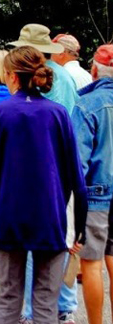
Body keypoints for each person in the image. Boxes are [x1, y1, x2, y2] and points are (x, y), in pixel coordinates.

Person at [0, 46, 87, 324]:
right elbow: (75, 176)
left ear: (10, 76)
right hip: (52, 217)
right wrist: (78, 224)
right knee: (46, 300)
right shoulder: (58, 114)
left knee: (9, 298)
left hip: (8, 215)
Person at [8, 24, 80, 323]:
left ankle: (27, 311)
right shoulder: (61, 77)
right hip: (61, 167)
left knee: (29, 243)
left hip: (35, 168)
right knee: (58, 238)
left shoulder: (35, 84)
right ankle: (64, 305)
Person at [71, 44, 113, 324]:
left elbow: (78, 161)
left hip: (96, 194)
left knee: (92, 264)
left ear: (94, 70)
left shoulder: (88, 105)